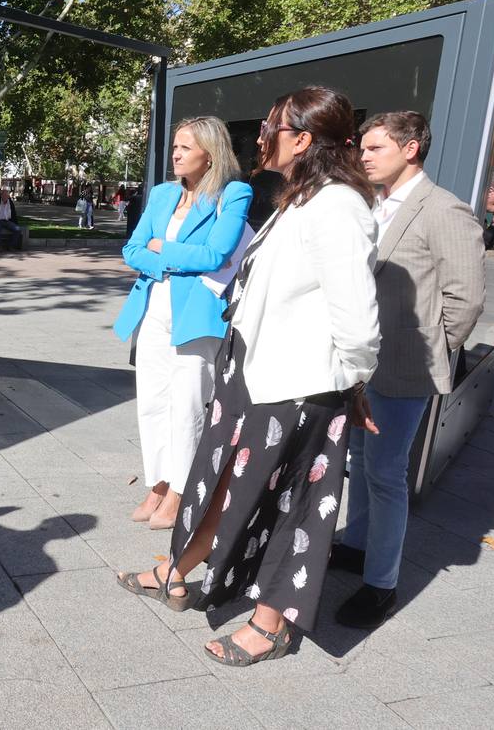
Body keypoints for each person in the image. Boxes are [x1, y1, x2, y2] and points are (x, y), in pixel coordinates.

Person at [115, 86, 380, 667]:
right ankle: (177, 572)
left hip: (299, 387)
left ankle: (271, 623)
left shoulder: (338, 206)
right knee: (221, 485)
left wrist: (353, 383)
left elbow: (357, 318)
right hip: (253, 377)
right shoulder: (300, 199)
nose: (259, 136)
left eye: (270, 128)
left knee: (293, 508)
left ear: (303, 140)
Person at [330, 112, 484, 627]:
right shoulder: (372, 205)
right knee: (359, 458)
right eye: (363, 147)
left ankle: (382, 585)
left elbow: (466, 300)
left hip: (403, 370)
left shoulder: (445, 210)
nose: (364, 156)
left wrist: (426, 356)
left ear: (411, 148)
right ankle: (356, 546)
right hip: (361, 366)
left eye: (375, 147)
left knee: (386, 474)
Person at [113, 117, 252, 530]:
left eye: (185, 148)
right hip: (153, 305)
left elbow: (217, 254)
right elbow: (132, 248)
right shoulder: (161, 194)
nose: (175, 154)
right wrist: (167, 256)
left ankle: (180, 490)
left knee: (189, 402)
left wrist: (163, 249)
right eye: (175, 146)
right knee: (153, 399)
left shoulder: (233, 194)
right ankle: (157, 481)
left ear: (210, 153)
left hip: (196, 311)